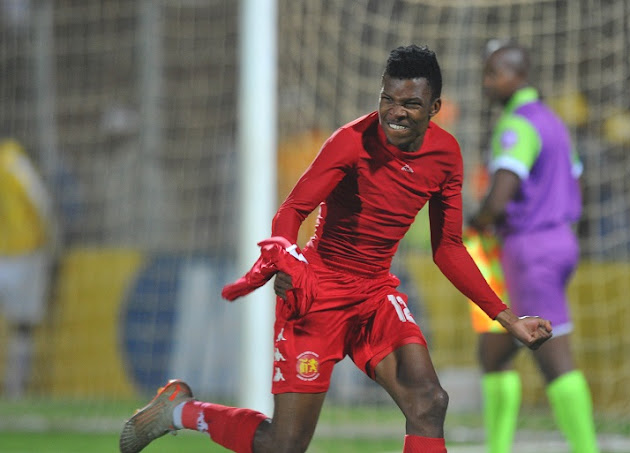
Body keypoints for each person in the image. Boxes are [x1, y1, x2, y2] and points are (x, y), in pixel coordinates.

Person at [119, 44, 552, 453]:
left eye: (411, 104)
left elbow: (448, 248)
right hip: (317, 293)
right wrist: (286, 258)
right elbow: (291, 212)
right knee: (284, 444)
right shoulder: (351, 142)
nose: (396, 113)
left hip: (374, 293)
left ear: (434, 109)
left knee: (429, 402)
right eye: (388, 99)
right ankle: (177, 410)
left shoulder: (446, 155)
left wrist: (508, 319)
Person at [468, 42, 599, 453]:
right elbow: (578, 182)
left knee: (553, 356)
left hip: (530, 250)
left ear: (515, 75)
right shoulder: (554, 122)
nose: (486, 83)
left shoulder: (518, 125)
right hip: (558, 241)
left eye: (493, 74)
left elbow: (500, 196)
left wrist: (477, 221)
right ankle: (498, 448)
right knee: (493, 350)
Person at [0, 138, 57, 398]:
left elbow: (40, 203)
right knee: (22, 326)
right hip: (18, 255)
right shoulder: (14, 164)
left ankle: (16, 388)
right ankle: (15, 389)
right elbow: (41, 203)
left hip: (23, 254)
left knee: (21, 325)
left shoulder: (13, 163)